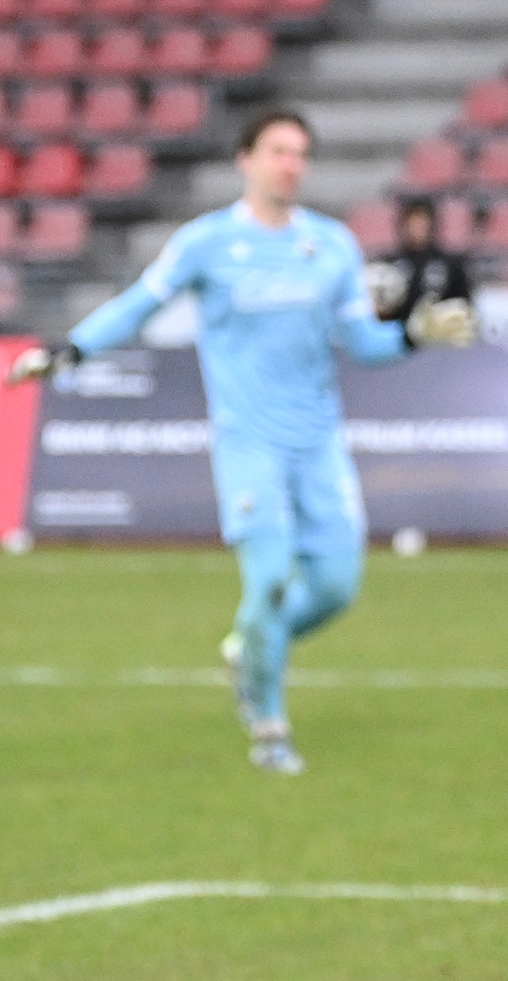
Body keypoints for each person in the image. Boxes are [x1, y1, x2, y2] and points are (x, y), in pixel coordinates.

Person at [6, 108, 477, 774]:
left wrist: (412, 334)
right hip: (248, 444)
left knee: (335, 586)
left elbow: (363, 344)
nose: (291, 164)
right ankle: (269, 727)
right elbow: (140, 303)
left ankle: (249, 647)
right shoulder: (206, 243)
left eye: (300, 153)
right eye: (278, 150)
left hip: (318, 441)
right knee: (271, 581)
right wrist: (71, 348)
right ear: (245, 159)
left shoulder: (331, 245)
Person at [370, 196, 473, 324]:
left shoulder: (451, 264)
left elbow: (463, 306)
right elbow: (377, 311)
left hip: (438, 334)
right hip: (400, 332)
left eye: (422, 221)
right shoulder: (388, 265)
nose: (417, 226)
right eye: (412, 221)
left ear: (432, 224)